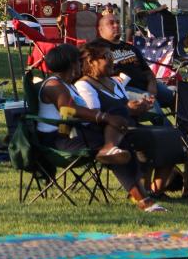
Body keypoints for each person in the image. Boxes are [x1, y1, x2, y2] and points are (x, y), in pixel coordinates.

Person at [36, 44, 163, 212]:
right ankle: (142, 199)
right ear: (71, 64)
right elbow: (69, 109)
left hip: (73, 132)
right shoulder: (54, 85)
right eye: (77, 62)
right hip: (59, 140)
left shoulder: (68, 85)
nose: (80, 66)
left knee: (120, 133)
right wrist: (105, 117)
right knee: (117, 122)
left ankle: (112, 152)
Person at [95, 11, 174, 109]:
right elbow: (93, 76)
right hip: (121, 89)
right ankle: (165, 125)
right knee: (149, 102)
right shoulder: (97, 48)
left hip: (145, 85)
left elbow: (148, 72)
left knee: (176, 94)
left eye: (118, 22)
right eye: (111, 23)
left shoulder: (130, 48)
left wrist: (152, 86)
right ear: (100, 29)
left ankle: (186, 123)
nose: (116, 25)